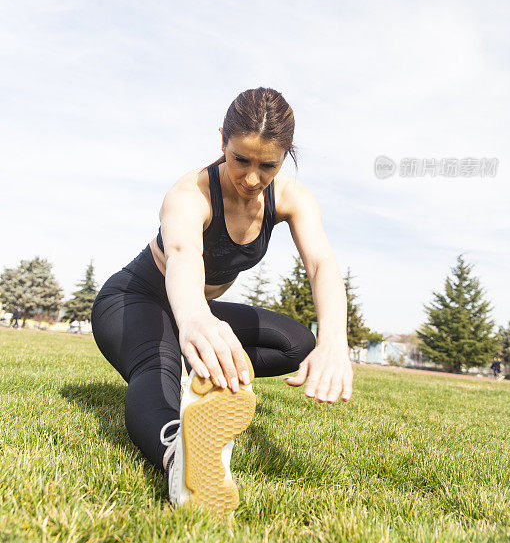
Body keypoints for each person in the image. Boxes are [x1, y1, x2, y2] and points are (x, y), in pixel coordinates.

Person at [91, 87, 353, 514]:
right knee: (156, 365)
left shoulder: (291, 199)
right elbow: (182, 254)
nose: (251, 178)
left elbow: (322, 263)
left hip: (195, 313)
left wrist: (334, 342)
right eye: (240, 160)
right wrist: (194, 319)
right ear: (222, 141)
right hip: (134, 301)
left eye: (267, 165)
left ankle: (193, 370)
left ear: (285, 156)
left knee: (297, 344)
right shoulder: (190, 192)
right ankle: (180, 458)